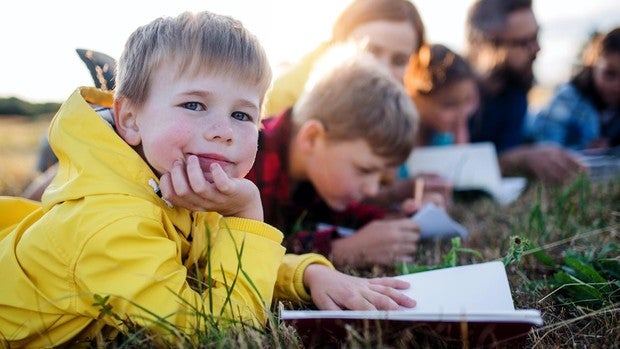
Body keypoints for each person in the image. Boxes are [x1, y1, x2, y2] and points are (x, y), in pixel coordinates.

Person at [0, 11, 416, 347]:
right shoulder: (110, 223)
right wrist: (248, 213)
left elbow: (209, 261)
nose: (224, 130)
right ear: (129, 118)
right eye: (194, 104)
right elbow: (215, 330)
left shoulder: (172, 183)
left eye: (242, 114)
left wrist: (307, 274)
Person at [162, 45, 423, 269]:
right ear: (312, 138)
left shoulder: (318, 171)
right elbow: (226, 249)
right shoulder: (242, 162)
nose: (371, 188)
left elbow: (343, 214)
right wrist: (344, 250)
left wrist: (393, 219)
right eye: (365, 170)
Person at [465, 0, 585, 185]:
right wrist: (521, 159)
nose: (537, 49)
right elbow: (453, 165)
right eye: (524, 42)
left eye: (536, 37)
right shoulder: (455, 94)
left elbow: (507, 149)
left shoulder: (514, 92)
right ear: (488, 45)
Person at [264, 0, 426, 116]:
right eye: (370, 51)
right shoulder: (286, 97)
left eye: (399, 61)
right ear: (340, 38)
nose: (383, 70)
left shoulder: (404, 109)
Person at [530, 27, 620, 150]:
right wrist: (585, 150)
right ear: (592, 66)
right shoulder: (567, 99)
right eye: (609, 74)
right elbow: (545, 147)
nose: (617, 86)